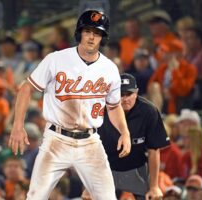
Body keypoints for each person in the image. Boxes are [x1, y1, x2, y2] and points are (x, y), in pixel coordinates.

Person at [8, 10, 131, 200]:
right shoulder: (56, 59)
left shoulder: (109, 68)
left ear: (102, 37)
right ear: (79, 32)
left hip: (90, 141)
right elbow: (26, 89)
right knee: (35, 197)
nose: (91, 37)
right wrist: (18, 125)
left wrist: (125, 132)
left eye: (97, 33)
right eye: (88, 31)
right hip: (57, 139)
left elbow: (113, 106)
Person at [83, 73, 170, 200]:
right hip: (106, 168)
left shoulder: (149, 111)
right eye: (120, 94)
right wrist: (88, 186)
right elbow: (90, 150)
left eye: (129, 94)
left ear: (136, 93)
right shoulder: (100, 111)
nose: (125, 99)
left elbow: (154, 150)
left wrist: (154, 187)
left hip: (137, 168)